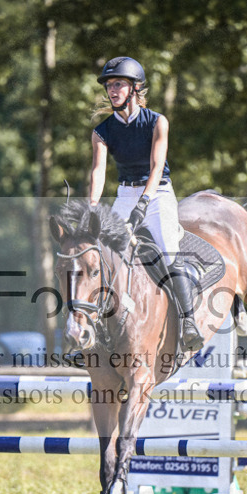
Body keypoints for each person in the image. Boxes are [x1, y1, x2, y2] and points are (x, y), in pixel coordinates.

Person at [87, 56, 203, 351]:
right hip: (125, 194)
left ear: (134, 88)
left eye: (118, 84)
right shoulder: (102, 131)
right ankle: (94, 328)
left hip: (158, 193)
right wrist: (91, 207)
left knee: (168, 251)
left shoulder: (156, 122)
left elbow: (156, 165)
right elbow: (99, 171)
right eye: (109, 86)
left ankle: (188, 322)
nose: (112, 90)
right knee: (102, 255)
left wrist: (145, 202)